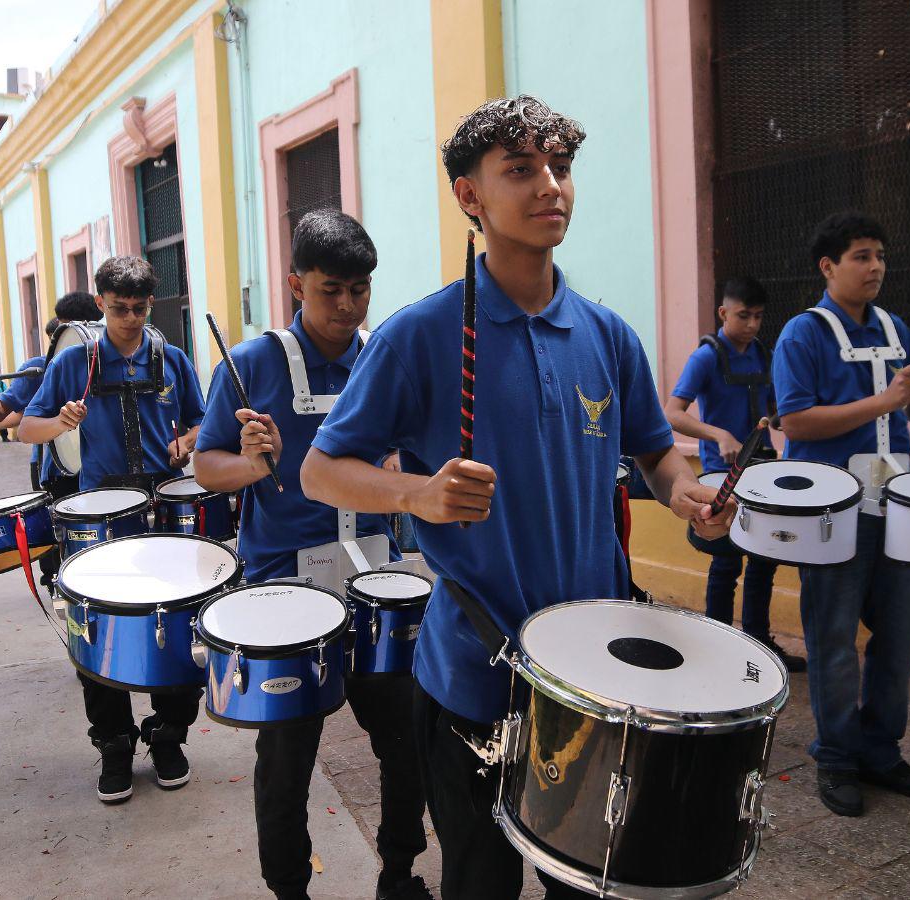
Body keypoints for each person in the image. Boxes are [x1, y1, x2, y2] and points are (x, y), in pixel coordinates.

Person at [299, 96, 729, 900]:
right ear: (471, 196)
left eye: (560, 168)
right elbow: (323, 470)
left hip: (597, 679)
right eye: (522, 170)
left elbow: (658, 456)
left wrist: (690, 496)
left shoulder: (608, 335)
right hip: (474, 675)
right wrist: (418, 494)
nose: (550, 187)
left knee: (590, 882)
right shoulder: (421, 335)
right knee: (479, 882)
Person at [194, 210, 430, 900]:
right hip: (283, 595)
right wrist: (248, 463)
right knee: (287, 755)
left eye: (361, 290)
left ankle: (398, 871)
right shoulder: (249, 364)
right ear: (295, 284)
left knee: (405, 738)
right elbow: (207, 466)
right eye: (332, 291)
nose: (349, 307)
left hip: (375, 581)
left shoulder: (381, 357)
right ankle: (290, 888)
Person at [773, 211, 910, 817]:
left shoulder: (896, 325)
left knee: (902, 636)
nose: (875, 265)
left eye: (879, 254)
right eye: (860, 255)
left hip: (897, 505)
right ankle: (836, 756)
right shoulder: (802, 334)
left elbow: (907, 395)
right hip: (832, 511)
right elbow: (795, 421)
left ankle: (881, 749)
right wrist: (886, 400)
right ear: (828, 267)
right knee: (832, 640)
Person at [20, 258, 206, 803]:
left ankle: (169, 734)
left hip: (165, 510)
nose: (129, 318)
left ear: (152, 304)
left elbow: (201, 420)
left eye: (140, 308)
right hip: (99, 515)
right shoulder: (72, 362)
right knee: (97, 633)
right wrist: (60, 423)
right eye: (118, 307)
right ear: (100, 303)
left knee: (180, 629)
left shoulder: (172, 359)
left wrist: (187, 442)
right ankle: (115, 745)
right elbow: (26, 426)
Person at [665, 277, 805, 672]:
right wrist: (718, 433)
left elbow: (778, 407)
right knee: (726, 563)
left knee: (764, 559)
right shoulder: (706, 357)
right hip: (719, 474)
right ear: (724, 313)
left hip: (762, 470)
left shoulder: (765, 354)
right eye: (744, 316)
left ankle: (760, 645)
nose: (753, 325)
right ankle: (717, 644)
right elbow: (672, 413)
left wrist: (782, 415)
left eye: (759, 317)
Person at [0, 292, 102, 588]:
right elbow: (0, 415)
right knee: (61, 541)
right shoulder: (39, 366)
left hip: (103, 469)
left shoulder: (115, 358)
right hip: (56, 470)